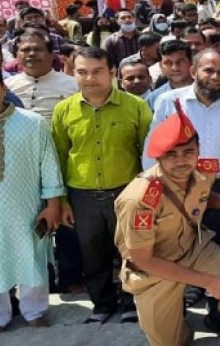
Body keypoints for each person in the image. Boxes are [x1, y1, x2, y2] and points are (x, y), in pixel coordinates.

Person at [115, 100, 220, 346]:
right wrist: (209, 282)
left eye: (188, 152)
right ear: (157, 157)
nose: (182, 161)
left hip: (194, 249)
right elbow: (144, 259)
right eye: (171, 155)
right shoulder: (139, 199)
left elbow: (204, 195)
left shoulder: (203, 171)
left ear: (198, 151)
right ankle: (171, 313)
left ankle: (215, 318)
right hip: (156, 268)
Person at [0, 66, 65, 332]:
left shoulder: (32, 122)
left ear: (4, 89)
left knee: (32, 261)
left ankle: (34, 312)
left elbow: (48, 164)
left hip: (25, 210)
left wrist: (53, 204)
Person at [52, 47, 153, 324]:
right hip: (81, 195)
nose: (89, 78)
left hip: (126, 192)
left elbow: (147, 153)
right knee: (92, 252)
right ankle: (102, 304)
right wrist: (62, 202)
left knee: (130, 251)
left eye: (97, 71)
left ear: (112, 72)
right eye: (82, 72)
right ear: (73, 73)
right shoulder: (64, 110)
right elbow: (59, 156)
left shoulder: (136, 106)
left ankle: (132, 301)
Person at [145, 49, 220, 252]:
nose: (215, 77)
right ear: (193, 71)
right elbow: (152, 146)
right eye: (209, 70)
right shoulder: (169, 101)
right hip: (179, 186)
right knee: (180, 243)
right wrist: (155, 185)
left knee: (219, 245)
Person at [4, 31, 78, 122]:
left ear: (52, 55)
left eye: (38, 49)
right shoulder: (6, 86)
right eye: (25, 50)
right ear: (17, 55)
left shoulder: (74, 85)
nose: (31, 54)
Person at [146, 40, 195, 110]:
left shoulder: (205, 92)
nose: (175, 68)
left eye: (180, 61)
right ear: (160, 66)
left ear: (191, 62)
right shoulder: (153, 99)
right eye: (168, 63)